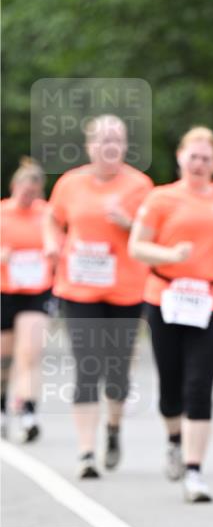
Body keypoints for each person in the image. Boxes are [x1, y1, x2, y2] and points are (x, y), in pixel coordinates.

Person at [129, 127, 213, 502]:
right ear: (180, 158)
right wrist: (169, 255)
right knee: (171, 384)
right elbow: (138, 245)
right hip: (167, 296)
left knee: (200, 382)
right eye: (193, 156)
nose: (199, 163)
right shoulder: (160, 198)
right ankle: (175, 439)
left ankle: (194, 470)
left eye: (206, 158)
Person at [44, 115, 152, 478]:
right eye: (103, 139)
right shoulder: (70, 183)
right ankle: (86, 452)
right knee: (87, 366)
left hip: (125, 290)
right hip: (79, 288)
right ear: (89, 145)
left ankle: (113, 429)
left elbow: (154, 234)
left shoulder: (140, 186)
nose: (110, 146)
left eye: (117, 140)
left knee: (117, 371)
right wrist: (51, 243)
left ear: (124, 146)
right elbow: (52, 219)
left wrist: (128, 223)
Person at [0, 159, 53, 442]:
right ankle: (2, 407)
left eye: (34, 192)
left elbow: (62, 246)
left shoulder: (46, 215)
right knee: (4, 358)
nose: (28, 196)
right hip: (5, 291)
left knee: (30, 353)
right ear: (14, 186)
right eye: (24, 190)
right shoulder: (2, 213)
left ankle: (29, 412)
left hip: (36, 292)